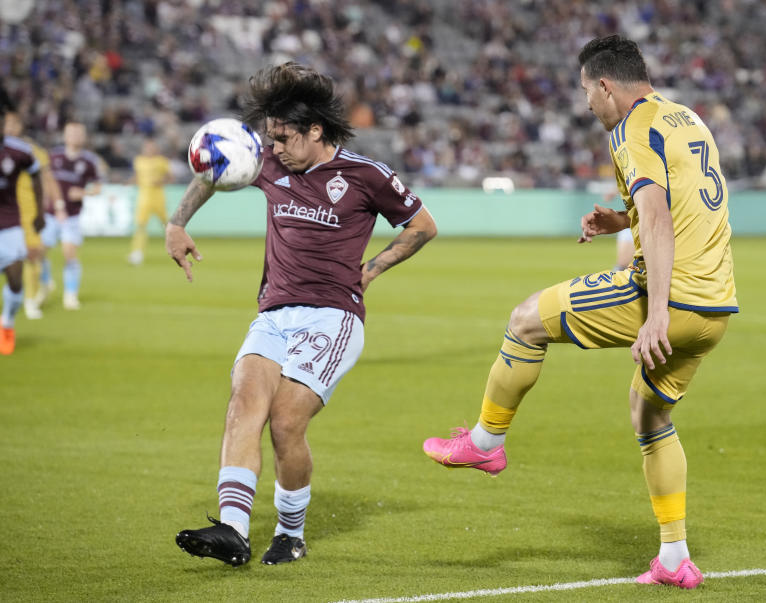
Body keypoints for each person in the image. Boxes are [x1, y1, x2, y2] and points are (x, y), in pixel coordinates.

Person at [423, 35, 737, 590]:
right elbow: (686, 198)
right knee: (651, 416)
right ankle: (674, 559)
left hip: (672, 296)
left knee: (524, 320)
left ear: (606, 85)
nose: (586, 103)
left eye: (586, 91)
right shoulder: (685, 117)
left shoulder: (631, 130)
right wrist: (622, 221)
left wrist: (657, 313)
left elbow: (661, 217)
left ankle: (486, 443)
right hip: (716, 306)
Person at [169, 62, 437, 566]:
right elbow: (215, 173)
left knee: (286, 423)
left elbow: (423, 226)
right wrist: (177, 222)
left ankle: (290, 533)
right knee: (243, 404)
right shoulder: (269, 162)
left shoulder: (365, 175)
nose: (273, 149)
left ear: (316, 131)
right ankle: (233, 530)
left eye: (283, 138)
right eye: (269, 139)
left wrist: (373, 268)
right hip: (273, 313)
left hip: (332, 318)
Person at [3, 111, 62, 320]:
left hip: (27, 210)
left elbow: (46, 178)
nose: (9, 128)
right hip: (6, 211)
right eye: (6, 124)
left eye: (12, 124)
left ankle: (29, 301)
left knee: (31, 254)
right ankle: (42, 281)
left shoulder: (31, 150)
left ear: (20, 126)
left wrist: (53, 205)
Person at [0, 102, 46, 354]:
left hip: (8, 225)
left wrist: (40, 212)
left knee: (16, 279)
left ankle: (6, 322)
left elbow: (37, 174)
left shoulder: (17, 151)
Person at [46, 122, 104, 310]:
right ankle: (45, 282)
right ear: (64, 135)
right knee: (37, 252)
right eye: (71, 133)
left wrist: (83, 193)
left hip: (72, 215)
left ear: (84, 136)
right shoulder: (53, 156)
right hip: (49, 213)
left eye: (79, 133)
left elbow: (97, 187)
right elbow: (43, 180)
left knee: (69, 254)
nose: (75, 136)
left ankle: (70, 295)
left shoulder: (89, 161)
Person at [127, 138, 171, 265]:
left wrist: (160, 182)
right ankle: (137, 253)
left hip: (158, 197)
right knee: (141, 226)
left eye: (152, 147)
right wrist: (128, 182)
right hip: (144, 198)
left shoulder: (162, 161)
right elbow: (137, 177)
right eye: (147, 147)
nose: (149, 149)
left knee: (167, 226)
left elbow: (170, 178)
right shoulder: (139, 161)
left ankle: (177, 249)